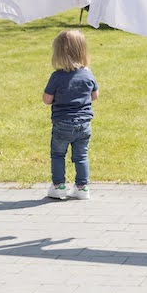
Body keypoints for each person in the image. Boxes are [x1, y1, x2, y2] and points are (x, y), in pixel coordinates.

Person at [43, 29, 99, 201]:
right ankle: (82, 188)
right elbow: (94, 96)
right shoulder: (87, 74)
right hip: (84, 124)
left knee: (58, 154)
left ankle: (59, 187)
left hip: (62, 124)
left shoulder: (57, 77)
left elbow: (47, 99)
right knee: (81, 155)